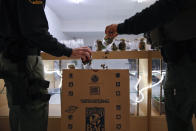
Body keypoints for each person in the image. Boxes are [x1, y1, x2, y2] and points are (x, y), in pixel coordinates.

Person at [0, 0, 91, 131]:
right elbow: (34, 31)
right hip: (23, 60)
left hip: (8, 57)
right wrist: (68, 51)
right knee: (33, 112)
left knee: (18, 109)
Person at [105, 0, 196, 131]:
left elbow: (158, 13)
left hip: (186, 60)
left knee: (179, 118)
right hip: (184, 59)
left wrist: (121, 27)